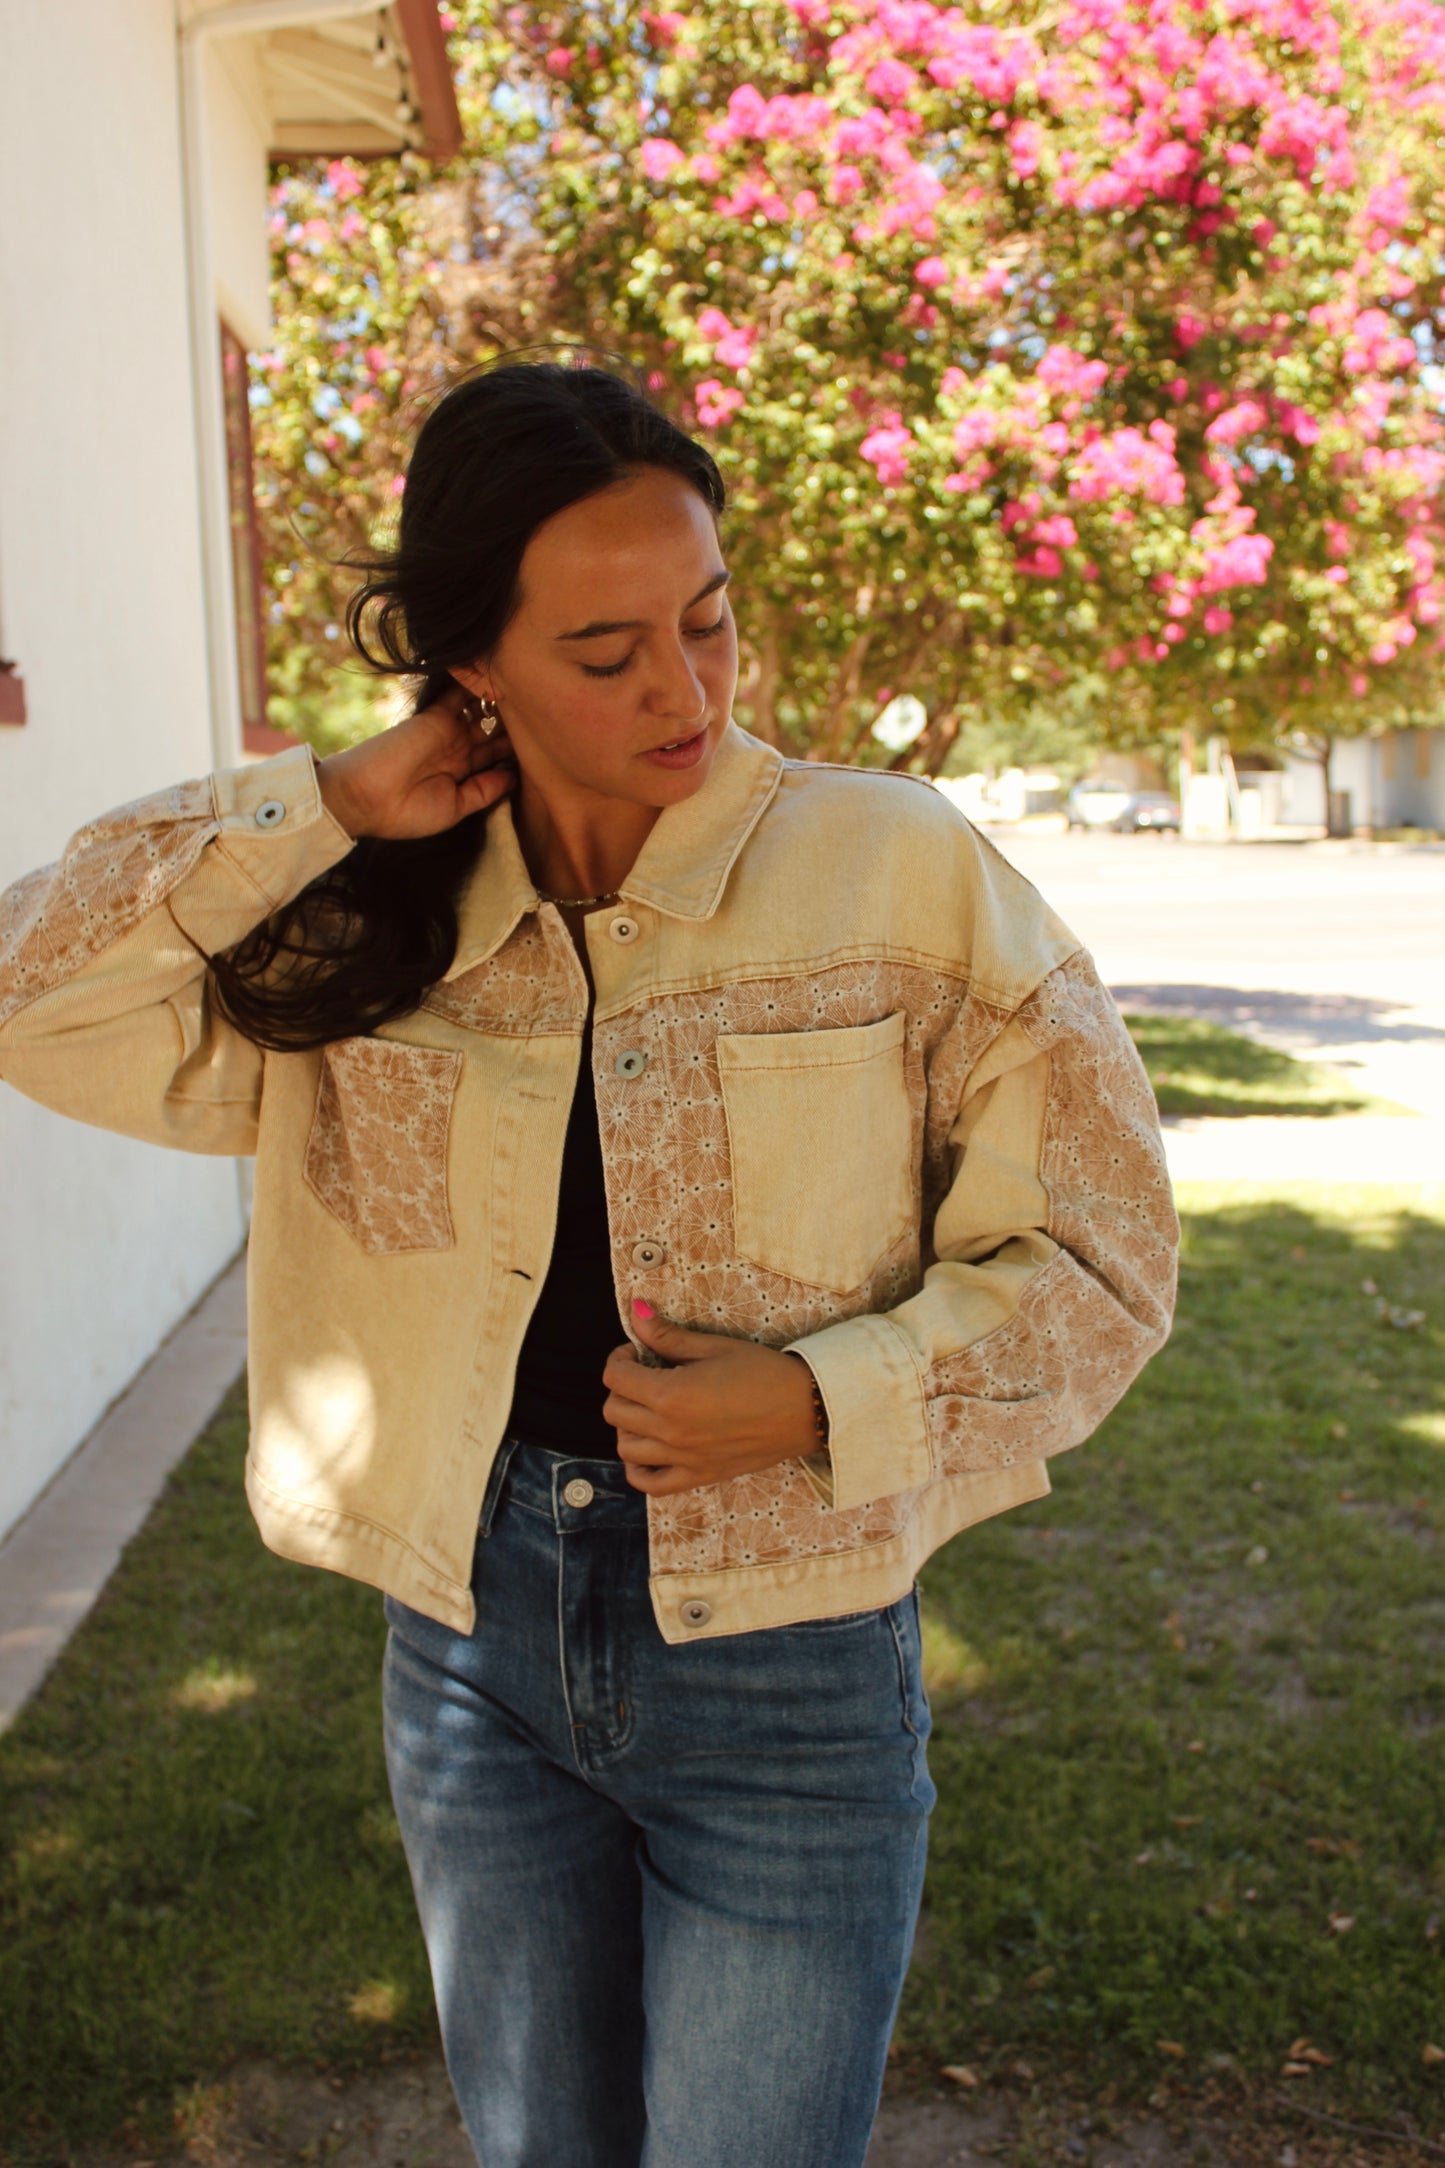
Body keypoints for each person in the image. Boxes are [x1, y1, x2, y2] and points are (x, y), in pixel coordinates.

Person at [0, 357, 1178, 2168]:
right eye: (604, 650)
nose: (684, 690)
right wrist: (322, 800)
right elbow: (32, 990)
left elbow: (1103, 1253)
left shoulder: (895, 869)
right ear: (474, 660)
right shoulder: (365, 908)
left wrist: (813, 1398)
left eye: (706, 624)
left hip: (787, 1658)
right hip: (468, 1643)